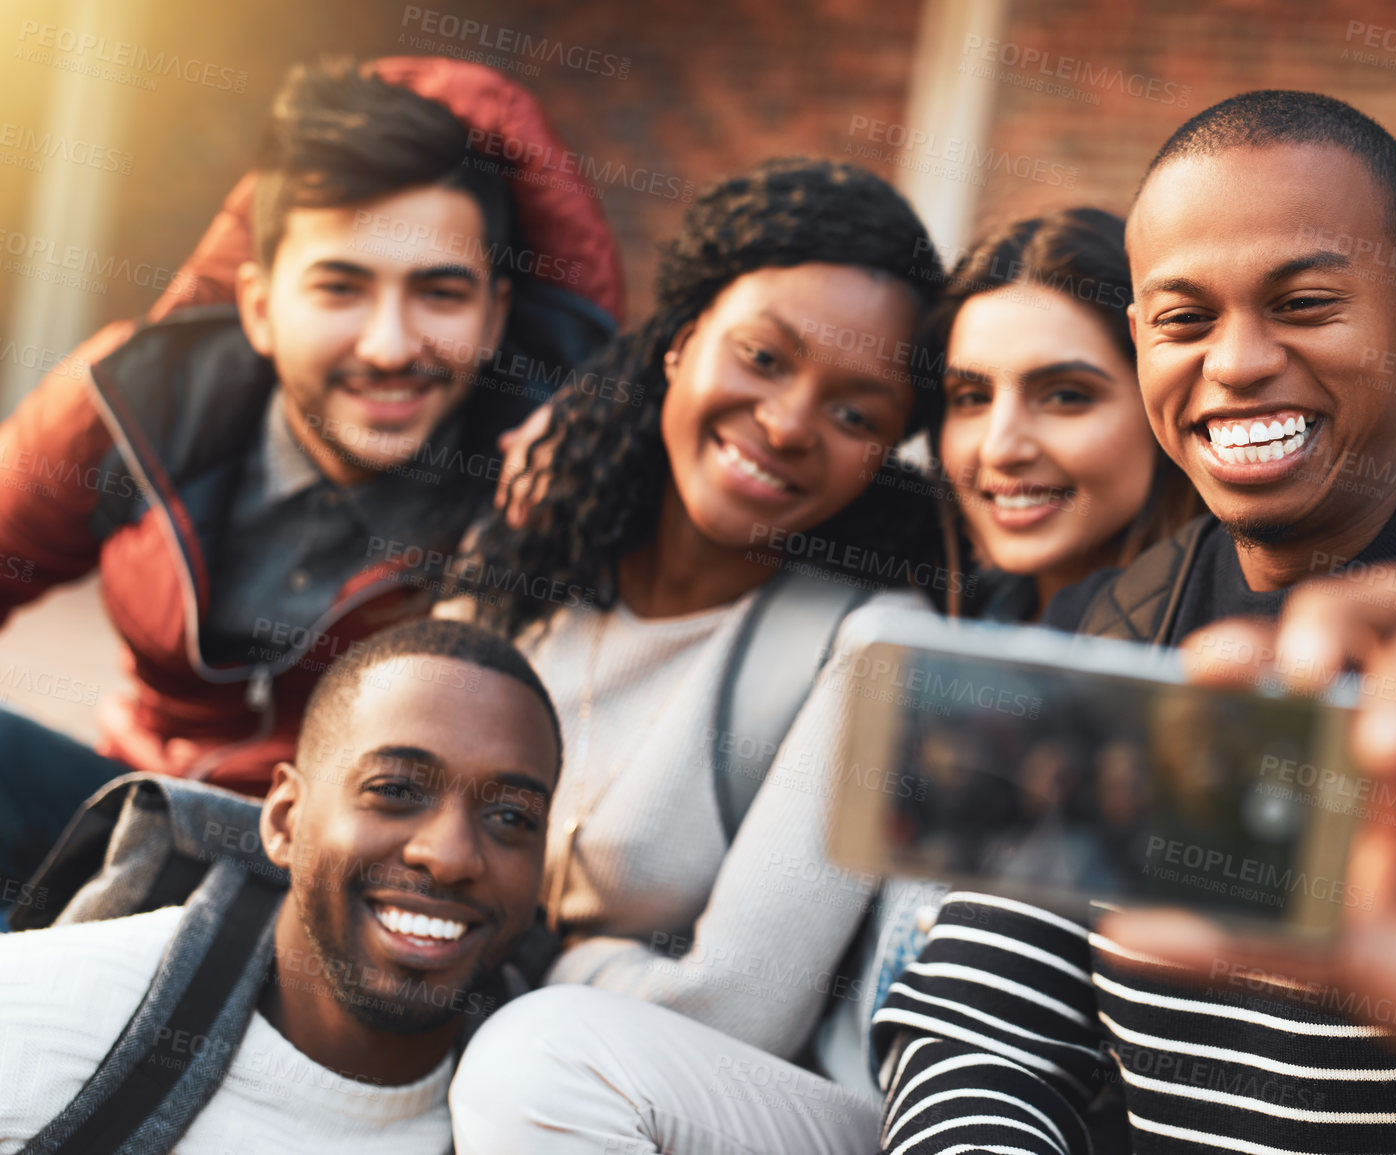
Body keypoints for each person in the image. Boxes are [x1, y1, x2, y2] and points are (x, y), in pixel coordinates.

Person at [871, 90, 1396, 1155]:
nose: (1234, 362)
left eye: (1305, 303)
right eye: (1184, 321)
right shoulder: (1122, 626)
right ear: (1143, 340)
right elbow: (980, 1028)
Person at [0, 56, 620, 888]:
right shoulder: (133, 401)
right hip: (133, 809)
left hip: (347, 891)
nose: (390, 346)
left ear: (494, 313)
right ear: (260, 305)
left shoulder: (545, 492)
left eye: (439, 294)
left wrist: (574, 475)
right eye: (340, 288)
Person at [445, 158, 951, 1151]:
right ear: (682, 344)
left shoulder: (872, 646)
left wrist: (512, 951)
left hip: (740, 1106)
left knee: (541, 1057)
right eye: (764, 357)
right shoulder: (535, 554)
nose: (790, 422)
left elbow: (734, 1011)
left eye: (857, 414)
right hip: (505, 1064)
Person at [0, 618, 562, 1153]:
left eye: (511, 818)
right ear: (284, 820)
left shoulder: (557, 1122)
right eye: (394, 790)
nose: (448, 856)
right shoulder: (39, 1017)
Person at [927, 208, 1197, 620]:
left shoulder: (1248, 656)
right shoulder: (934, 629)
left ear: (1161, 402)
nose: (1001, 449)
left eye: (1065, 396)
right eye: (971, 398)